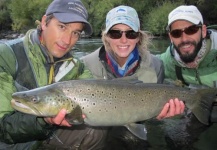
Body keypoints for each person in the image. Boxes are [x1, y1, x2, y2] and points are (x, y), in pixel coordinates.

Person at [0, 0, 107, 149]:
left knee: (94, 131)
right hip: (11, 143)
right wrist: (44, 121)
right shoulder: (5, 55)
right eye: (62, 27)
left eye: (75, 32)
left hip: (47, 137)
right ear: (44, 22)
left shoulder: (77, 67)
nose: (67, 40)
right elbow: (2, 128)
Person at [82, 5, 185, 149]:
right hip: (99, 129)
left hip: (137, 124)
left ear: (138, 37)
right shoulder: (86, 64)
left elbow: (155, 108)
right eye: (115, 33)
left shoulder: (156, 65)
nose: (123, 40)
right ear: (106, 37)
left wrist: (161, 114)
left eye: (130, 33)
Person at [157, 5, 217, 149]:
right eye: (177, 33)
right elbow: (142, 66)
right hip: (199, 105)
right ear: (171, 37)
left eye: (191, 30)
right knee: (175, 140)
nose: (184, 39)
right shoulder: (166, 61)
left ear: (203, 31)